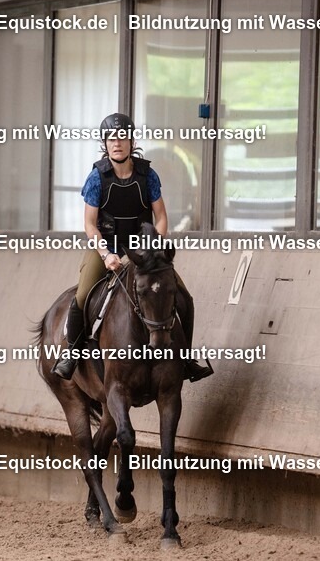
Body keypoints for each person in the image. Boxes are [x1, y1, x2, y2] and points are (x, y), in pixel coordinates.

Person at [51, 112, 214, 383]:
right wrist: (105, 254)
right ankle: (72, 353)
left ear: (131, 141)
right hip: (106, 247)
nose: (117, 143)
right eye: (112, 139)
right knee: (81, 297)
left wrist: (154, 248)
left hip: (143, 248)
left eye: (123, 137)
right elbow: (90, 224)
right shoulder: (96, 178)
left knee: (185, 298)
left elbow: (160, 217)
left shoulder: (147, 175)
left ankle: (185, 360)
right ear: (105, 144)